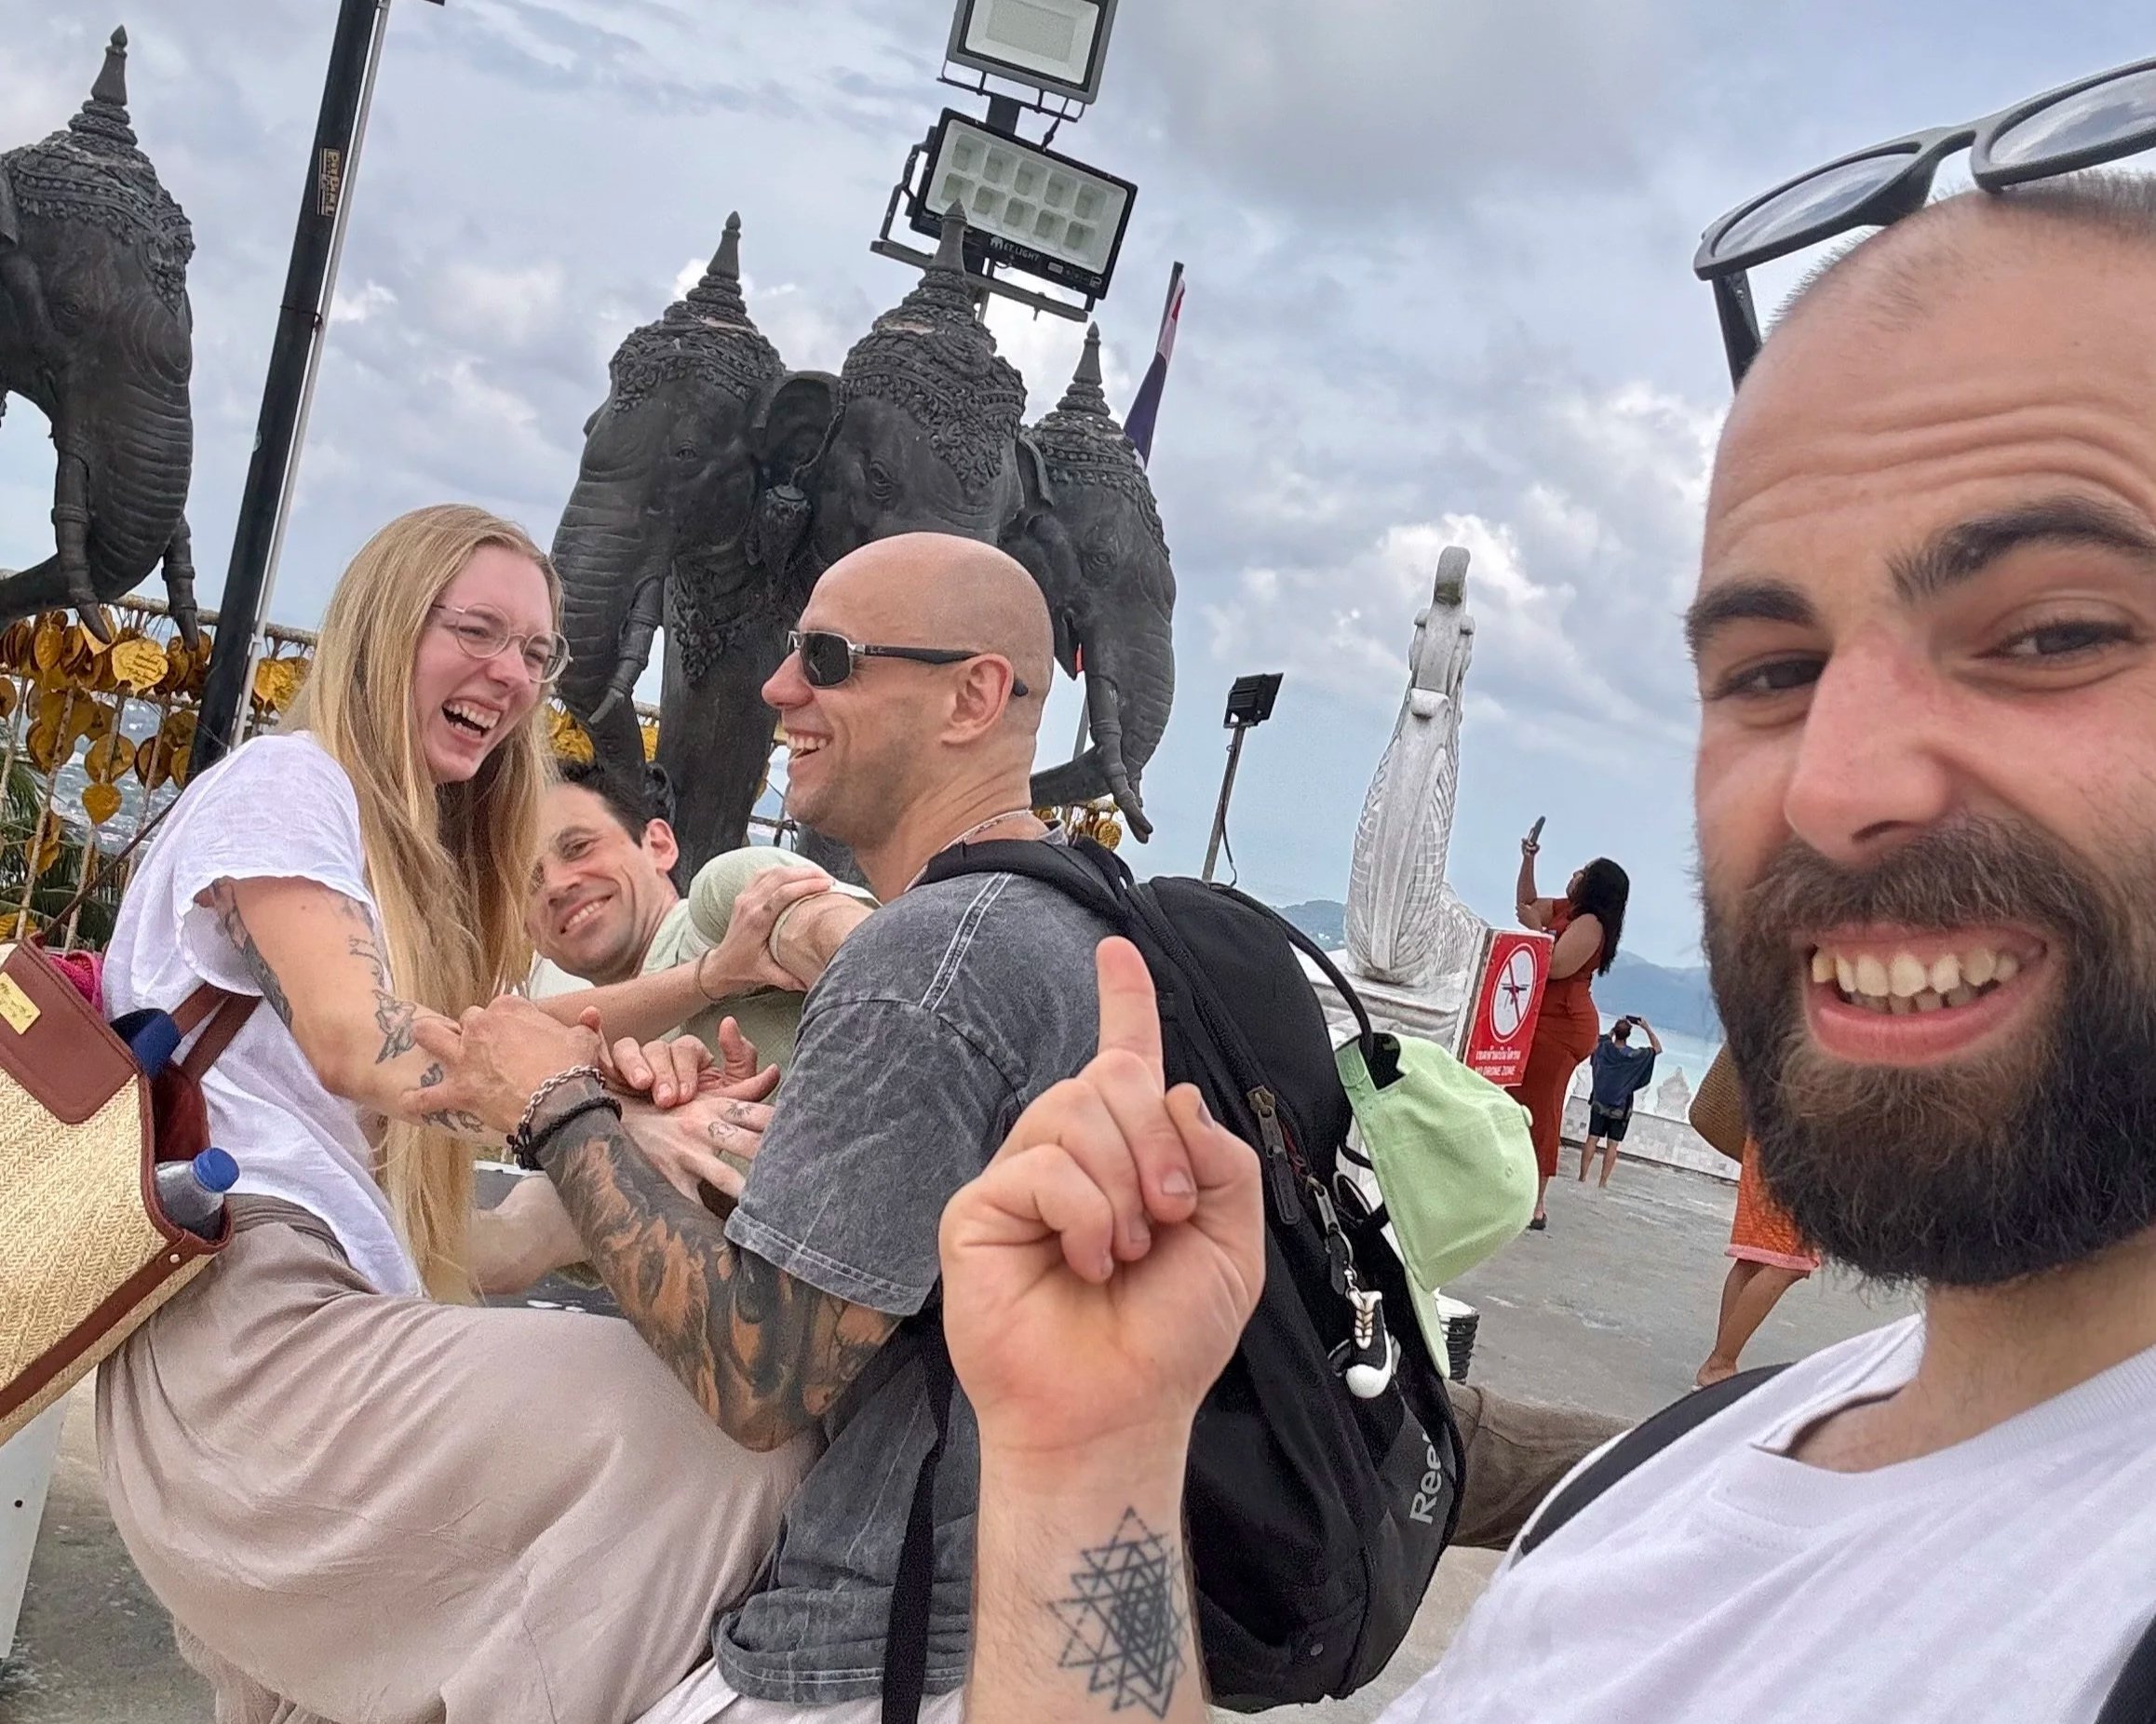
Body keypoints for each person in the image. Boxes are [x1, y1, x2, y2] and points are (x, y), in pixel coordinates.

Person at [944, 171, 2156, 1721]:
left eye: (2052, 632)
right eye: (1772, 666)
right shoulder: (1672, 1484)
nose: (1839, 785)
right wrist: (1086, 1463)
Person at [419, 532, 1625, 1723]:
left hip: (888, 1647)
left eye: (827, 657)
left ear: (973, 695)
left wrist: (557, 1108)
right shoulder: (1076, 919)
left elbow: (761, 1376)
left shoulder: (928, 962)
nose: (779, 688)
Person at [95, 505, 811, 1724]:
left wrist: (654, 1081)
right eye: (475, 631)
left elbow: (479, 1063)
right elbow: (363, 1043)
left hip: (277, 1351)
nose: (511, 675)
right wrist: (575, 1113)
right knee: (720, 1430)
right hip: (250, 1351)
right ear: (382, 628)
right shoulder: (289, 783)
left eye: (536, 655)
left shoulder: (382, 846)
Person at [524, 758, 874, 1074]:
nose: (554, 886)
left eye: (578, 847)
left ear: (658, 845)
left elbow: (859, 948)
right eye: (529, 881)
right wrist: (710, 976)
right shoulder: (564, 1069)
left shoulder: (721, 905)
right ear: (525, 930)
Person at [1510, 842, 1629, 1228]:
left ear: (1595, 886)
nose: (1575, 873)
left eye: (1584, 871)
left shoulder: (1591, 925)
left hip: (1564, 1024)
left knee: (1542, 1107)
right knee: (1520, 1099)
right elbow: (1527, 902)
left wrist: (1536, 929)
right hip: (1543, 1019)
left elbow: (1557, 966)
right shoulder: (1566, 910)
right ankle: (1515, 1185)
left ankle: (1537, 1204)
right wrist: (1529, 859)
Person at [1696, 1136, 1820, 1387]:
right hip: (1795, 1139)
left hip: (1767, 1133)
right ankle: (1719, 1364)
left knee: (1753, 1258)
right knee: (1789, 1262)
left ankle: (1719, 1365)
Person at [1578, 1015, 1660, 1186]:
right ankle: (1602, 1182)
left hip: (1599, 1103)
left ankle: (1582, 1177)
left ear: (1615, 1032)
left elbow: (1599, 1040)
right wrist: (1646, 1027)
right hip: (1620, 1108)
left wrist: (1612, 1031)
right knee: (1612, 1145)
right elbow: (1657, 1049)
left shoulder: (1604, 1048)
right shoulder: (1633, 1055)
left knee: (1592, 1138)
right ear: (1629, 1035)